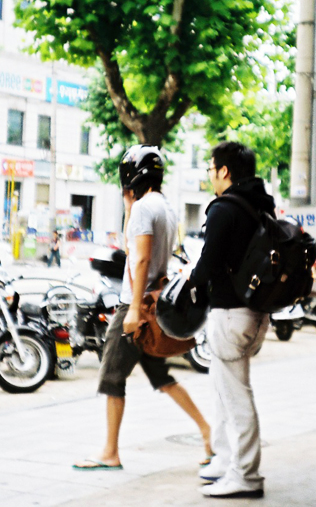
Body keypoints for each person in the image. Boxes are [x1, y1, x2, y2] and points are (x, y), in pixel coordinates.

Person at [73, 144, 211, 471]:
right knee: (161, 377)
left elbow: (141, 259)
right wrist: (127, 207)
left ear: (132, 175)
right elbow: (134, 248)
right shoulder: (165, 207)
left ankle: (110, 452)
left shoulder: (144, 208)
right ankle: (208, 432)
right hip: (154, 306)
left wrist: (133, 310)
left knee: (111, 376)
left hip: (136, 306)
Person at [190, 141, 272, 500]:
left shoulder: (224, 209)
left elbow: (208, 265)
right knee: (224, 391)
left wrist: (191, 280)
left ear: (224, 171)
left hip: (230, 314)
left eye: (211, 168)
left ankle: (246, 475)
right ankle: (225, 461)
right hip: (255, 312)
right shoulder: (259, 205)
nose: (210, 175)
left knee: (237, 397)